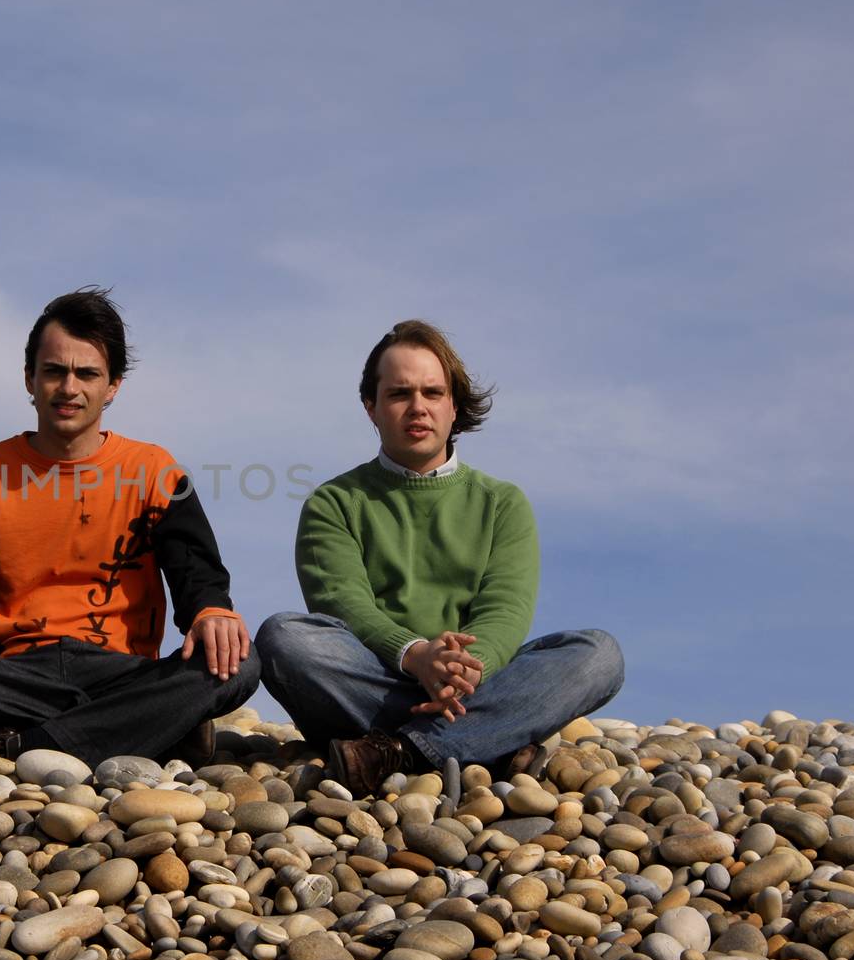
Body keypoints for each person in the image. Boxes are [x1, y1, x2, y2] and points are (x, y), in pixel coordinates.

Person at [257, 319, 623, 796]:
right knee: (284, 637)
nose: (418, 408)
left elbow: (505, 609)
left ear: (454, 406)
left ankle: (396, 753)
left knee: (599, 655)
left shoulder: (501, 502)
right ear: (371, 407)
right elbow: (343, 605)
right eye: (398, 394)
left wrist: (461, 673)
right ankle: (488, 743)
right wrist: (418, 656)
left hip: (474, 684)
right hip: (377, 679)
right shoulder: (335, 502)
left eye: (433, 392)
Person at [0, 287, 259, 766]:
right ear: (29, 379)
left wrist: (211, 611)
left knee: (239, 660)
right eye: (54, 371)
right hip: (9, 669)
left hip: (123, 670)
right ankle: (148, 729)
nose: (69, 388)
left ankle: (16, 744)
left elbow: (200, 581)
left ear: (113, 386)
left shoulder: (154, 470)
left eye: (87, 374)